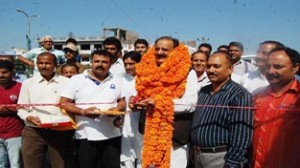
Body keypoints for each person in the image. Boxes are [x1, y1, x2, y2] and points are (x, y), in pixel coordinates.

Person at [130, 36, 198, 168]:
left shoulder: (188, 72)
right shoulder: (144, 70)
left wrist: (159, 102)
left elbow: (190, 104)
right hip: (148, 137)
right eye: (157, 49)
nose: (160, 52)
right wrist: (135, 103)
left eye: (165, 50)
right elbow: (142, 97)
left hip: (174, 139)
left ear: (174, 51)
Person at [59, 50, 126, 168]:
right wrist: (83, 112)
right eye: (97, 61)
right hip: (84, 136)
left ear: (110, 64)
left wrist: (115, 109)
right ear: (91, 62)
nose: (100, 64)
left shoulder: (118, 81)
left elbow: (122, 102)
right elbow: (64, 103)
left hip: (112, 136)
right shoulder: (76, 80)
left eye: (104, 62)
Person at [190, 51, 253, 168]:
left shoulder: (239, 94)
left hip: (220, 158)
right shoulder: (204, 91)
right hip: (197, 155)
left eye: (217, 66)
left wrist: (232, 163)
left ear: (230, 69)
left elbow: (241, 134)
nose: (211, 70)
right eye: (208, 66)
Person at [17, 52, 74, 168]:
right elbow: (21, 107)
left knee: (60, 164)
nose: (43, 66)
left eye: (47, 63)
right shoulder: (28, 83)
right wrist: (28, 117)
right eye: (40, 63)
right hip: (34, 131)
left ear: (56, 65)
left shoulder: (67, 83)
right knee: (31, 164)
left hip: (60, 131)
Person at [251, 47, 300, 168]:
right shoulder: (257, 96)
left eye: (278, 67)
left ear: (295, 68)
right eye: (267, 66)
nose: (271, 71)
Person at [120, 51, 143, 168]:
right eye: (125, 64)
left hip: (143, 122)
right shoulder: (121, 80)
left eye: (131, 63)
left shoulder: (147, 79)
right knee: (126, 156)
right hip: (125, 122)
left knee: (143, 155)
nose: (128, 67)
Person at [0, 60, 24, 168]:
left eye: (5, 72)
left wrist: (7, 109)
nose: (1, 75)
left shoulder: (21, 87)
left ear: (13, 73)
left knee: (16, 164)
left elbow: (25, 107)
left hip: (15, 134)